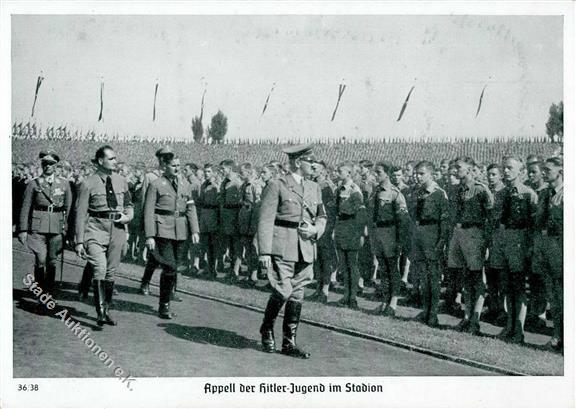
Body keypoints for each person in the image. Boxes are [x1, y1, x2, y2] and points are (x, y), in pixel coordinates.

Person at [257, 143, 327, 359]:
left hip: (305, 247)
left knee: (297, 293)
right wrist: (264, 252)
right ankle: (267, 328)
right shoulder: (277, 185)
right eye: (310, 162)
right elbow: (265, 220)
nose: (314, 165)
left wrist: (316, 229)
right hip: (282, 245)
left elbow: (322, 216)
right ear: (298, 162)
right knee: (284, 290)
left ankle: (289, 342)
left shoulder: (314, 187)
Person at [74, 145, 133, 327]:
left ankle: (106, 311)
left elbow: (130, 204)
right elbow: (81, 213)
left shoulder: (122, 181)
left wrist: (128, 216)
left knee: (111, 271)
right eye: (112, 158)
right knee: (99, 267)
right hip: (95, 230)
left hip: (117, 230)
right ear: (101, 161)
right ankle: (100, 312)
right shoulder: (87, 183)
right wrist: (79, 241)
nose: (115, 161)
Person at [143, 154, 200, 319]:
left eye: (179, 165)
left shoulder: (185, 184)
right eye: (173, 165)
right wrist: (150, 236)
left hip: (181, 230)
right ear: (165, 167)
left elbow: (190, 208)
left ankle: (166, 300)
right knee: (169, 266)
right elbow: (148, 211)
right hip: (162, 229)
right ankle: (164, 305)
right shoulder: (156, 185)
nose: (177, 168)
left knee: (174, 267)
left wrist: (195, 230)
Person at [18, 151, 73, 310]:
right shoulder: (34, 184)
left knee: (52, 260)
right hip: (38, 227)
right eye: (45, 164)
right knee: (40, 259)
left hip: (56, 226)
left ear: (56, 166)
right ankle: (41, 295)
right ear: (42, 165)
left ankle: (49, 294)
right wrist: (22, 229)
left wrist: (67, 229)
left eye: (51, 164)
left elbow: (69, 209)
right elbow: (25, 207)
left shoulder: (64, 184)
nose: (48, 166)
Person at [447, 157, 494, 335]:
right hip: (459, 233)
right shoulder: (457, 189)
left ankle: (475, 319)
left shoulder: (480, 190)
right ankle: (466, 317)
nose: (455, 170)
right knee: (465, 277)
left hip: (475, 234)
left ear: (470, 169)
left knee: (476, 278)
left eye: (459, 167)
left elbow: (490, 217)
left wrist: (487, 242)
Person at [497, 156, 538, 344]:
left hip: (520, 241)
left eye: (510, 168)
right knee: (507, 286)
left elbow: (533, 224)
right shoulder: (502, 193)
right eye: (504, 168)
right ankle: (509, 325)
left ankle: (519, 329)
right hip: (504, 240)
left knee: (519, 285)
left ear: (520, 171)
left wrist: (529, 248)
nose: (506, 171)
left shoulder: (528, 194)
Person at [411, 161, 449, 327]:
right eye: (416, 174)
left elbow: (445, 221)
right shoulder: (417, 192)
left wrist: (441, 242)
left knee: (433, 276)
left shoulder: (439, 194)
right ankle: (425, 310)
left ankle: (433, 313)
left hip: (432, 235)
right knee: (422, 276)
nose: (417, 177)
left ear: (431, 174)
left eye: (421, 174)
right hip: (419, 233)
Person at [371, 162, 409, 317]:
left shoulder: (395, 193)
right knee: (383, 269)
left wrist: (399, 240)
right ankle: (384, 301)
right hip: (378, 232)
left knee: (393, 269)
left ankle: (393, 303)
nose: (375, 175)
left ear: (387, 173)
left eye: (378, 172)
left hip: (390, 233)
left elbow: (403, 220)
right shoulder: (376, 191)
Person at [537, 157, 563, 352]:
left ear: (559, 170)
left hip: (561, 247)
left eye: (548, 170)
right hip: (546, 246)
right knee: (552, 295)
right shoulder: (544, 193)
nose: (544, 173)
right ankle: (557, 336)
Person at [333, 162, 365, 310]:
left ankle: (353, 297)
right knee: (343, 265)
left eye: (340, 171)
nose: (337, 173)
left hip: (351, 229)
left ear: (349, 174)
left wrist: (359, 234)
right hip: (341, 228)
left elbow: (360, 214)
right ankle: (346, 294)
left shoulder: (355, 191)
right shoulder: (339, 189)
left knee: (352, 264)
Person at [308, 160, 336, 303]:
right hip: (314, 225)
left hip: (324, 226)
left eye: (315, 168)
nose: (311, 169)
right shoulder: (312, 184)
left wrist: (328, 229)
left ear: (322, 171)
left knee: (325, 258)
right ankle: (318, 288)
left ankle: (324, 289)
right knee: (317, 258)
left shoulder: (327, 187)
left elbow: (330, 211)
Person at [484, 163, 507, 323]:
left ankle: (503, 310)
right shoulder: (487, 192)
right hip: (488, 234)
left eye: (494, 174)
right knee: (490, 273)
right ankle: (493, 307)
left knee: (501, 274)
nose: (490, 177)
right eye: (489, 174)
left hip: (501, 235)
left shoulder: (505, 193)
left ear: (501, 176)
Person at [219, 159, 243, 282]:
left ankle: (235, 271)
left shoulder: (237, 182)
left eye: (223, 169)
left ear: (229, 168)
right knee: (229, 245)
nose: (221, 171)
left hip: (235, 216)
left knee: (236, 245)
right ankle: (232, 271)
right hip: (226, 216)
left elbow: (240, 201)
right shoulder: (225, 182)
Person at [238, 163, 262, 286]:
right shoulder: (243, 185)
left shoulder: (255, 186)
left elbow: (257, 206)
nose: (240, 174)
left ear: (248, 172)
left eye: (242, 172)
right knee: (247, 248)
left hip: (252, 221)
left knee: (253, 248)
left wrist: (254, 224)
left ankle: (254, 275)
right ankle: (249, 274)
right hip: (244, 220)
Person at [197, 164, 220, 278]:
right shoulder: (203, 185)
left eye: (209, 171)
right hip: (204, 215)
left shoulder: (216, 186)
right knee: (204, 243)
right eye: (205, 171)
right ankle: (207, 268)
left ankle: (213, 269)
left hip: (212, 215)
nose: (206, 174)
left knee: (212, 245)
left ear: (214, 173)